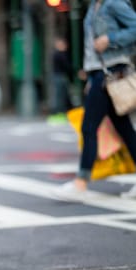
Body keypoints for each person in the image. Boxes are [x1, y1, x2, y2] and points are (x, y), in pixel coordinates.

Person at [53, 0, 136, 201]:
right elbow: (91, 48)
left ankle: (81, 182)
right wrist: (90, 76)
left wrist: (111, 38)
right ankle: (80, 182)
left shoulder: (114, 3)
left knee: (89, 127)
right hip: (99, 74)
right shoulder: (93, 7)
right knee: (124, 129)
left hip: (111, 73)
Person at [48, 37, 73, 122]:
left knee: (60, 96)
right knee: (60, 96)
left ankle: (60, 113)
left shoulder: (57, 54)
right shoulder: (60, 54)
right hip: (60, 77)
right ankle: (59, 114)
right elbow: (67, 66)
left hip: (58, 77)